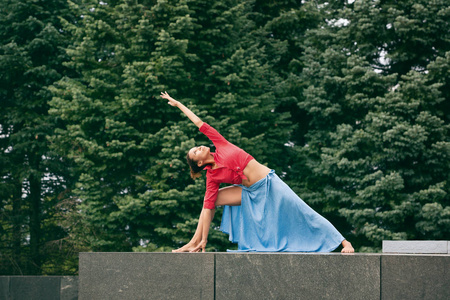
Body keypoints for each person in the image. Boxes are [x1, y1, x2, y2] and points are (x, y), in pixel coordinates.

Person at [160, 91, 355, 253]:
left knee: (301, 209)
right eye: (195, 151)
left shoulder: (220, 144)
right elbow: (208, 206)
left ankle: (344, 242)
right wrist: (204, 239)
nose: (199, 147)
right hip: (250, 192)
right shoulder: (212, 176)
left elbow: (198, 122)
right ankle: (196, 242)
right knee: (210, 200)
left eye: (196, 147)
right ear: (200, 163)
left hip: (269, 184)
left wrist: (178, 105)